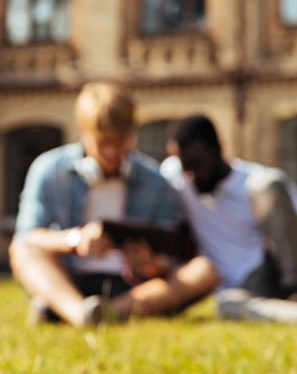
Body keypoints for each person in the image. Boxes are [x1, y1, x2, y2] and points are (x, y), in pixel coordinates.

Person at [10, 82, 219, 327]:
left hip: (132, 287)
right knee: (22, 250)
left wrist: (149, 264)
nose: (110, 152)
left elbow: (168, 258)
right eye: (102, 142)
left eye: (119, 142)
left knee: (204, 270)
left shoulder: (155, 181)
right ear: (84, 133)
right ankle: (81, 314)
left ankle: (96, 313)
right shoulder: (50, 169)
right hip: (70, 278)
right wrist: (74, 240)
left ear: (132, 134)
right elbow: (29, 234)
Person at [161, 115, 297, 327]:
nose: (191, 176)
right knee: (229, 305)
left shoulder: (253, 180)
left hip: (270, 268)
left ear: (218, 149)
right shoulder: (176, 176)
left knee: (269, 185)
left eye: (198, 165)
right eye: (185, 167)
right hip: (237, 290)